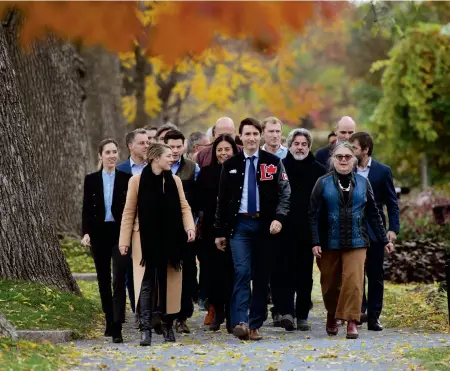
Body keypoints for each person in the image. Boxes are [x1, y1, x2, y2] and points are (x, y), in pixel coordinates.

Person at [215, 118, 290, 341]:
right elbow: (222, 200)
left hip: (266, 226)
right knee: (241, 271)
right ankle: (241, 321)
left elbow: (285, 193)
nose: (251, 138)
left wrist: (279, 218)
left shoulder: (273, 162)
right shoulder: (231, 164)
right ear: (240, 137)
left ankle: (255, 324)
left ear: (261, 136)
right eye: (247, 134)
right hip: (240, 226)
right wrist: (219, 231)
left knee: (260, 275)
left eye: (255, 134)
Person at [309, 143, 393, 339]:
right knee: (329, 284)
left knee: (354, 281)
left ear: (354, 160)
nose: (343, 160)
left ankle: (351, 321)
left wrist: (383, 239)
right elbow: (312, 214)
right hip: (329, 242)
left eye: (347, 156)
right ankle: (332, 313)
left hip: (357, 240)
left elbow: (374, 214)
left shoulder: (364, 184)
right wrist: (315, 241)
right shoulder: (322, 182)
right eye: (339, 157)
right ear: (333, 160)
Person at [119, 143, 195, 346]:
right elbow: (129, 212)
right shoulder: (136, 181)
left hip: (170, 241)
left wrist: (190, 228)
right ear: (155, 158)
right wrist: (124, 241)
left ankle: (167, 324)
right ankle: (146, 330)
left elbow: (184, 207)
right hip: (144, 242)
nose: (172, 159)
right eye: (168, 156)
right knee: (146, 284)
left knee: (166, 283)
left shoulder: (174, 181)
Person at [275, 129, 326, 332]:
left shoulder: (319, 170)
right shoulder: (281, 167)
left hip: (308, 230)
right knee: (284, 272)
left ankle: (302, 315)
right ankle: (287, 313)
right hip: (284, 229)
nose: (300, 147)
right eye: (296, 143)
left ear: (309, 146)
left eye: (304, 144)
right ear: (289, 146)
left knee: (305, 274)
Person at [81, 139, 131, 343]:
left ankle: (118, 324)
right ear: (100, 155)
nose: (111, 155)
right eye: (107, 152)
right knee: (102, 278)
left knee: (118, 277)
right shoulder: (91, 179)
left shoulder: (126, 179)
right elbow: (86, 209)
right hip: (99, 232)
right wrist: (86, 233)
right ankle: (109, 319)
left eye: (114, 152)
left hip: (119, 232)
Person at [349, 132, 400, 331]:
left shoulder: (382, 171)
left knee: (375, 274)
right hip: (352, 228)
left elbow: (392, 203)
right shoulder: (347, 169)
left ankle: (374, 316)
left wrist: (393, 229)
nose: (351, 152)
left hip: (376, 229)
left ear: (365, 149)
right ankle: (359, 311)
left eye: (354, 148)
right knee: (356, 273)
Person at [195, 135, 239, 333]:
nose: (223, 153)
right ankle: (217, 311)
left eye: (227, 149)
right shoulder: (205, 173)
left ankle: (232, 315)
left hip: (235, 228)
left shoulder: (240, 170)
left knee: (231, 272)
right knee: (212, 274)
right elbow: (201, 202)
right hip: (210, 230)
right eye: (220, 150)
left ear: (233, 150)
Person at [164, 130, 200, 334]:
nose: (176, 151)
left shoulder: (193, 169)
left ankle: (183, 316)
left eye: (179, 146)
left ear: (185, 146)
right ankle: (166, 313)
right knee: (167, 272)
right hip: (164, 230)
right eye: (172, 147)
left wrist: (193, 225)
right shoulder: (158, 167)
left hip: (187, 229)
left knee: (187, 273)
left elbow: (197, 199)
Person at [116, 129, 150, 319]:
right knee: (131, 272)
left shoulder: (153, 168)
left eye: (147, 142)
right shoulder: (121, 170)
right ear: (130, 146)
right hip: (130, 227)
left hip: (151, 227)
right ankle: (137, 309)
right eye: (142, 143)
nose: (146, 145)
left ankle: (151, 310)